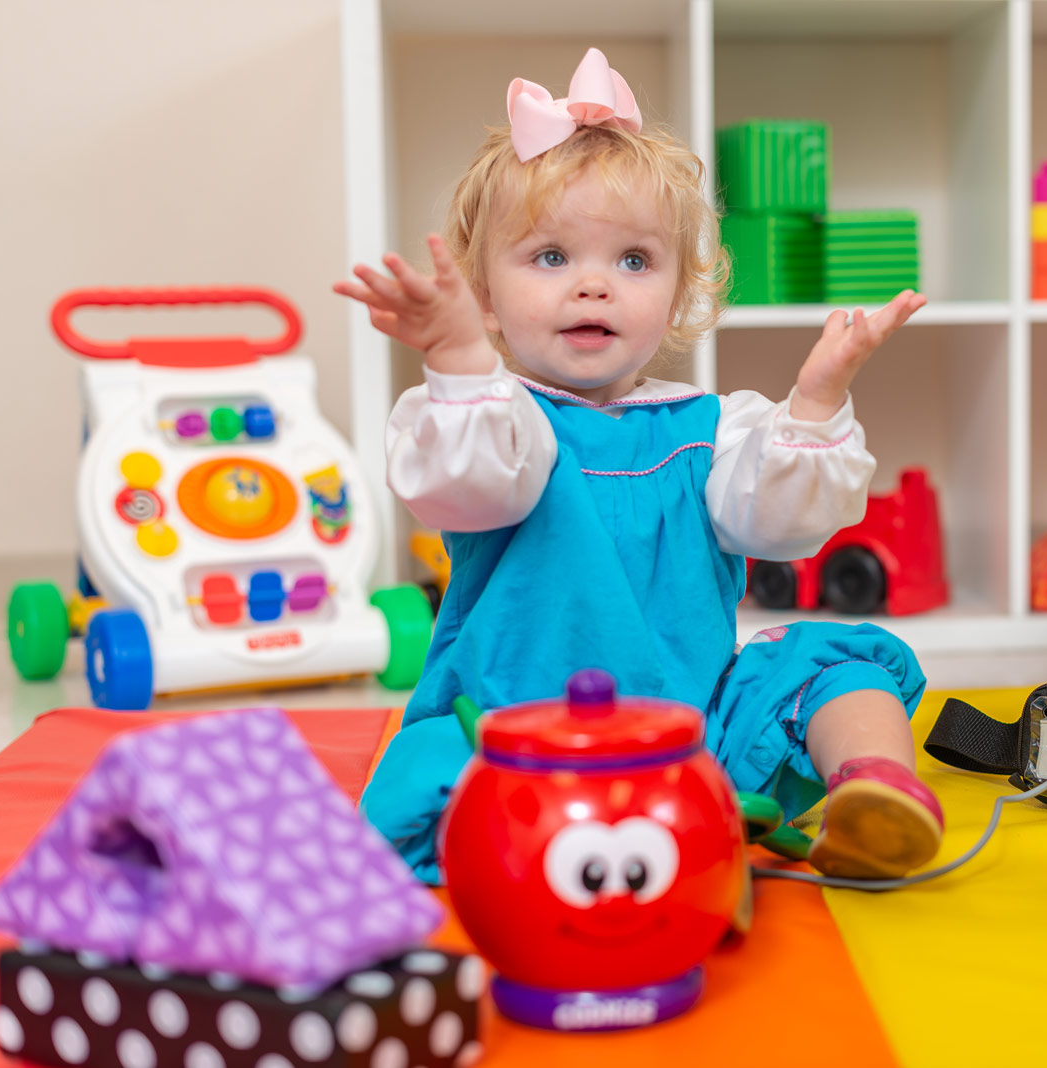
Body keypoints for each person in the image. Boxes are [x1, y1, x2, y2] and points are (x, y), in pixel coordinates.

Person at [336, 48, 941, 885]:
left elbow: (787, 525)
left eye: (633, 261)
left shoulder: (713, 429)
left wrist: (814, 399)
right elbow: (469, 487)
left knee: (844, 666)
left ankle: (874, 793)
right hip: (510, 740)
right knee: (424, 777)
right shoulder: (493, 420)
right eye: (551, 258)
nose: (595, 287)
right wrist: (459, 359)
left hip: (688, 747)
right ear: (482, 296)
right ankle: (585, 845)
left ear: (679, 290)